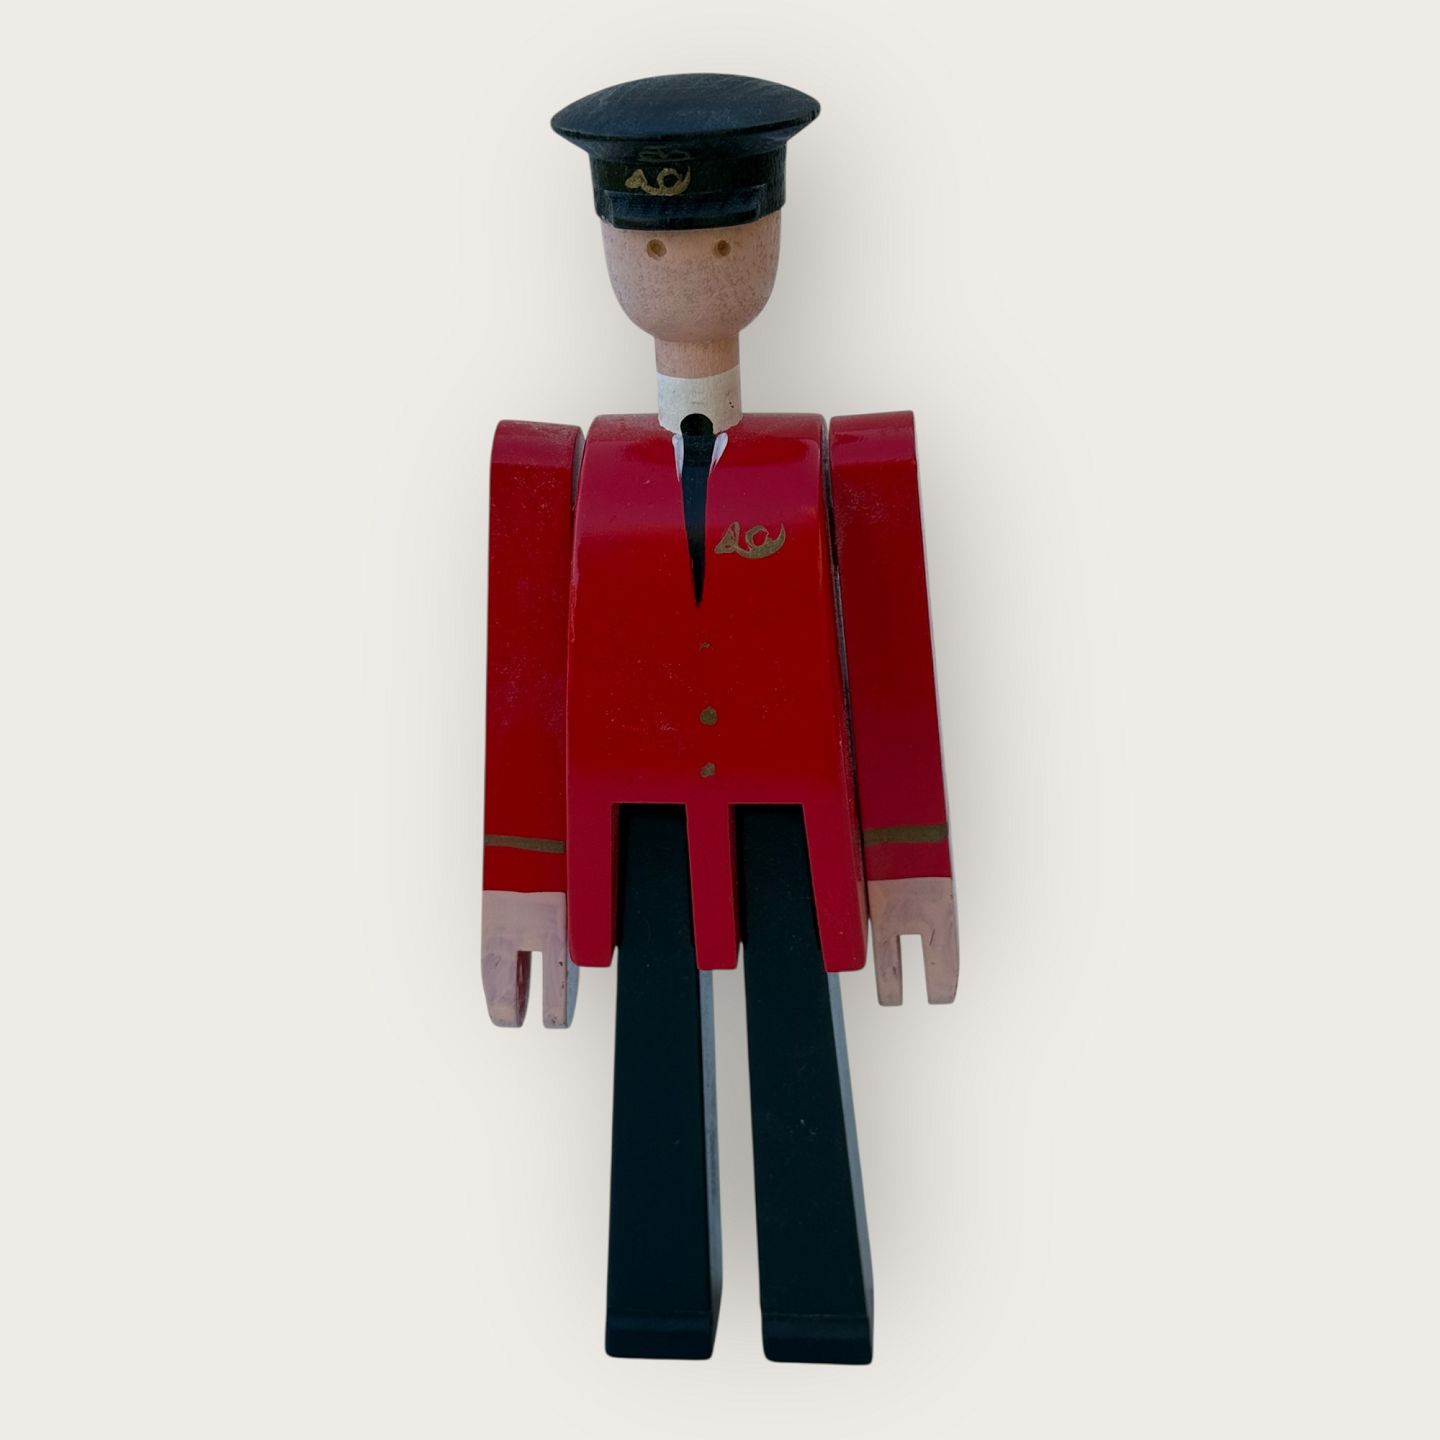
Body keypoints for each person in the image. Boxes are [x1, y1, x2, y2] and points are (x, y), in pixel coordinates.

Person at [482, 72, 958, 1365]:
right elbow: (526, 690)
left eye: (720, 241)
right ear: (612, 249)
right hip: (636, 823)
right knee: (652, 1068)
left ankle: (815, 1298)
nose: (687, 265)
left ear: (769, 238)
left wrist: (908, 862)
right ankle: (657, 1297)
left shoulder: (835, 463)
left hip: (791, 823)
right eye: (653, 248)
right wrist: (523, 881)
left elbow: (893, 670)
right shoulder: (565, 472)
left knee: (798, 1048)